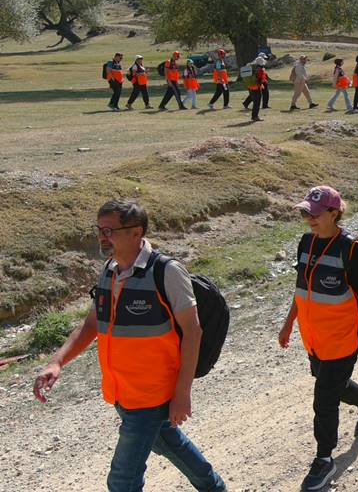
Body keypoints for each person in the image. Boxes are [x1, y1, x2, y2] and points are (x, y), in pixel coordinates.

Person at [33, 200, 227, 492]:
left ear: (136, 232)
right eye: (99, 229)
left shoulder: (167, 272)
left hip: (151, 396)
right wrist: (57, 361)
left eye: (109, 230)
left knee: (123, 481)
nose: (102, 236)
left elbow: (193, 332)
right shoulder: (110, 271)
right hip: (123, 392)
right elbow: (92, 324)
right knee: (171, 445)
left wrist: (181, 394)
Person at [278, 186, 358, 492]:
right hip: (314, 338)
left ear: (334, 213)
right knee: (331, 385)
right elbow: (301, 289)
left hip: (342, 338)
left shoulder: (351, 249)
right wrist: (288, 326)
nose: (308, 218)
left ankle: (324, 460)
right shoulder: (306, 242)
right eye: (304, 212)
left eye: (314, 213)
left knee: (323, 398)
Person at [247, 56, 267, 122]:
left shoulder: (250, 67)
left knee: (255, 101)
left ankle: (254, 116)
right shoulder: (260, 69)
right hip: (257, 87)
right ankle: (255, 116)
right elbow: (260, 79)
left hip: (250, 86)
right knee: (257, 103)